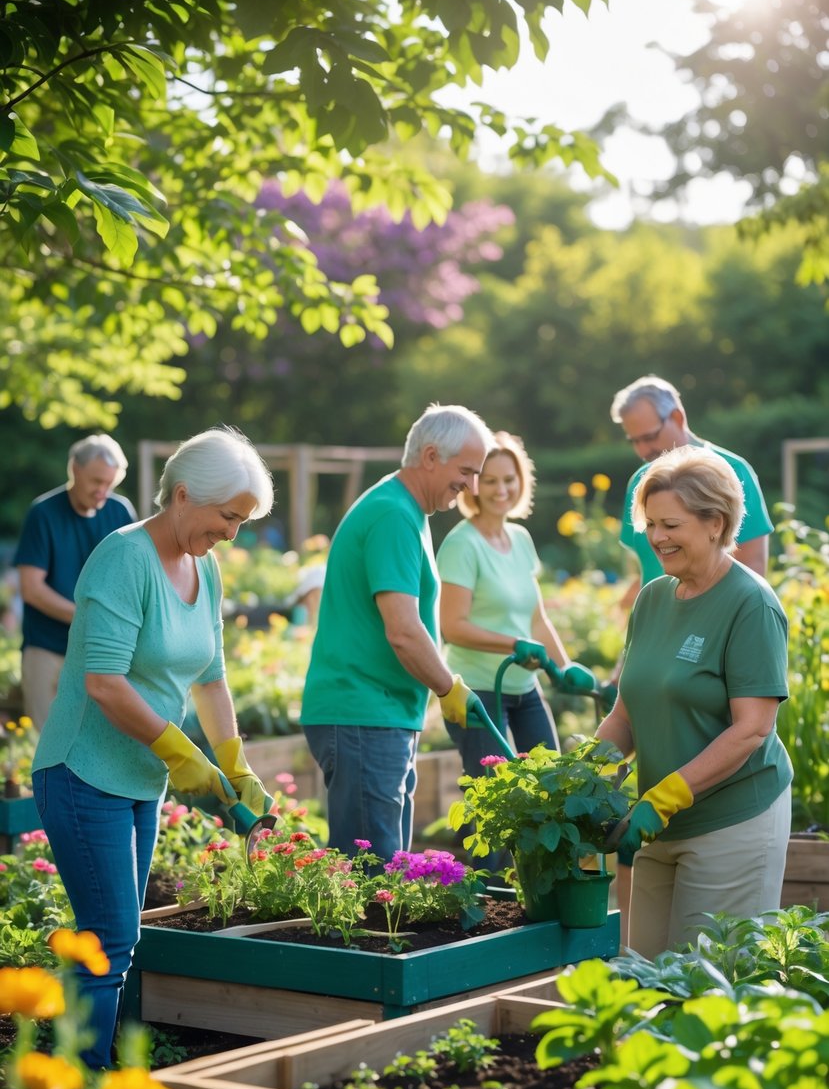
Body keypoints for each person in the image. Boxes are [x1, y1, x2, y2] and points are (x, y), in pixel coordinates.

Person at [31, 427, 274, 1069]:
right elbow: (104, 685)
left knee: (118, 937)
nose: (232, 534)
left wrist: (232, 760)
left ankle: (79, 1072)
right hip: (82, 771)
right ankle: (81, 1086)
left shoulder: (205, 565)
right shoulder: (123, 557)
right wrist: (178, 750)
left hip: (139, 777)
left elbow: (212, 676)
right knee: (109, 938)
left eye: (241, 522)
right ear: (185, 495)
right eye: (228, 517)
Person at [595, 445, 792, 960]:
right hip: (658, 825)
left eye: (671, 525)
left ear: (715, 523)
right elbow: (625, 713)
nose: (657, 537)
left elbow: (752, 729)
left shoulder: (751, 605)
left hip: (732, 822)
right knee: (643, 970)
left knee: (707, 983)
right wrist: (584, 779)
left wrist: (665, 797)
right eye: (651, 523)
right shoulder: (654, 598)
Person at [301, 403, 494, 862]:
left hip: (380, 714)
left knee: (386, 875)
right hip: (363, 712)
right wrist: (449, 688)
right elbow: (403, 631)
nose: (472, 487)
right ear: (430, 456)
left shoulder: (407, 512)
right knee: (373, 883)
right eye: (466, 471)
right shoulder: (393, 515)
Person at [437, 431, 598, 772]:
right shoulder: (462, 545)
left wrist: (564, 666)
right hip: (478, 693)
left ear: (521, 481)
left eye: (509, 480)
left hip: (526, 688)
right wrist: (513, 644)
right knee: (495, 798)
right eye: (490, 480)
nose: (501, 489)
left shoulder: (521, 539)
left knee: (550, 782)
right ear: (474, 485)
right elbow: (452, 627)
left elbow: (537, 619)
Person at [610, 375, 773, 609]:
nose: (643, 450)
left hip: (710, 629)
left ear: (677, 417)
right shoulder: (641, 481)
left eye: (649, 437)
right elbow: (649, 567)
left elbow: (752, 570)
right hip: (657, 629)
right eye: (634, 441)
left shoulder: (734, 471)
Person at [13, 434, 138, 731]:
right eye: (96, 481)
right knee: (45, 743)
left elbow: (132, 579)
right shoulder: (43, 513)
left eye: (109, 483)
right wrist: (85, 617)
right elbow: (31, 589)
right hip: (47, 647)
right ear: (75, 470)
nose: (102, 491)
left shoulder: (120, 512)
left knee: (94, 744)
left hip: (101, 650)